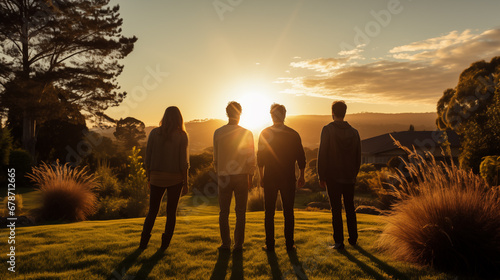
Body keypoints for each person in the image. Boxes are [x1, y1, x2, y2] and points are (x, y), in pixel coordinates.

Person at [139, 106, 189, 250]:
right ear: (179, 118)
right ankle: (164, 245)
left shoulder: (154, 133)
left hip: (156, 177)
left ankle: (143, 243)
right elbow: (183, 163)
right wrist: (186, 183)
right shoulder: (181, 135)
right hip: (175, 179)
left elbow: (147, 158)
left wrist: (149, 177)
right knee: (171, 213)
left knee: (152, 211)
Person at [258, 103, 306, 252]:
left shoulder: (265, 133)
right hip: (287, 177)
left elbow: (260, 159)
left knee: (269, 213)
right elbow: (301, 158)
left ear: (272, 116)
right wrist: (301, 175)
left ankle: (270, 245)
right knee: (288, 212)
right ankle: (289, 245)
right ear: (284, 116)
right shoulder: (293, 134)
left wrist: (261, 177)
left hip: (270, 177)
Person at [317, 101, 361, 250]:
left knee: (336, 209)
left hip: (333, 176)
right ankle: (353, 239)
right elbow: (358, 156)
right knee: (350, 208)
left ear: (332, 113)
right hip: (349, 177)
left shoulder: (328, 130)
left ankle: (339, 242)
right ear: (345, 113)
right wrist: (354, 173)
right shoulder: (354, 132)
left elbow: (322, 153)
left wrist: (321, 175)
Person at [213, 101, 255, 251]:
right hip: (242, 176)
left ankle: (225, 244)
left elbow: (215, 158)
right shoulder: (247, 133)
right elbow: (251, 158)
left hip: (224, 176)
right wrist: (250, 177)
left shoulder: (218, 132)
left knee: (223, 212)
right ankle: (238, 245)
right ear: (240, 113)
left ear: (227, 113)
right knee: (240, 212)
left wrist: (219, 173)